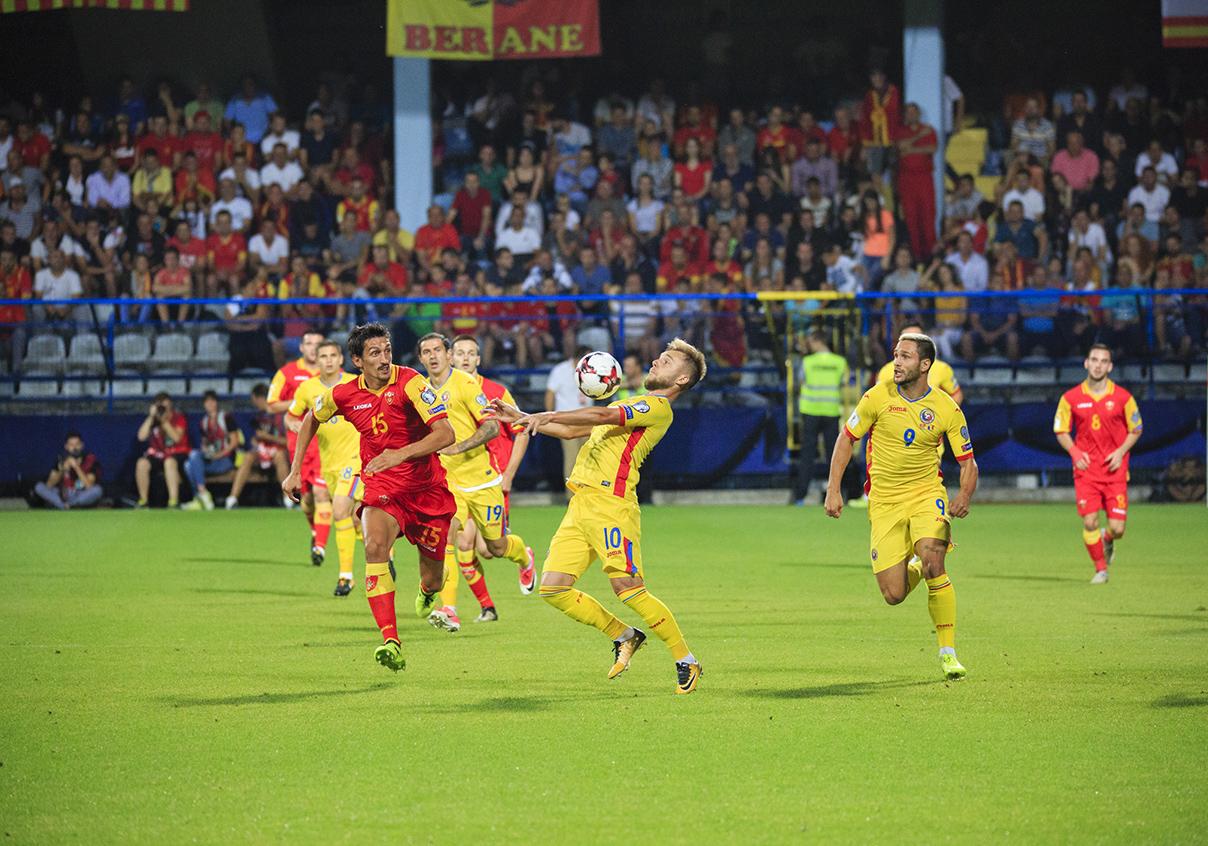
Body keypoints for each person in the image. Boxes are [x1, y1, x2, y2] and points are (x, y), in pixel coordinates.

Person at [491, 339, 709, 695]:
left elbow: (602, 415)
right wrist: (522, 418)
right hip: (582, 504)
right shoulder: (634, 401)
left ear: (681, 380)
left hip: (612, 506)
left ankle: (685, 658)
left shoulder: (657, 408)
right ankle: (624, 635)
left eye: (666, 361)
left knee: (628, 588)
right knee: (553, 587)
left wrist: (545, 415)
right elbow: (573, 430)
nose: (655, 361)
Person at [283, 323, 456, 673]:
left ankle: (426, 593)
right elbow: (310, 419)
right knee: (375, 547)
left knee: (434, 577)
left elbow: (446, 434)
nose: (383, 359)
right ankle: (390, 640)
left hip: (427, 491)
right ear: (357, 361)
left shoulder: (411, 383)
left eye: (387, 350)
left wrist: (401, 454)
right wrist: (295, 469)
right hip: (382, 488)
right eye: (374, 353)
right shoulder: (345, 394)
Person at [824, 332, 978, 680]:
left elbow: (968, 461)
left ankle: (948, 651)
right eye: (896, 354)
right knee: (893, 594)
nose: (897, 361)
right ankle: (914, 565)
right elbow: (846, 440)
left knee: (934, 559)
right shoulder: (876, 397)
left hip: (927, 494)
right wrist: (833, 489)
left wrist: (963, 495)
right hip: (884, 501)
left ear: (925, 365)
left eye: (906, 356)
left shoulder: (946, 408)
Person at [417, 333, 535, 632]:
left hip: (482, 481)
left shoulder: (468, 385)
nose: (432, 356)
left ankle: (524, 556)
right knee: (448, 541)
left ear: (447, 355)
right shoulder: (418, 391)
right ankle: (450, 610)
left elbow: (494, 427)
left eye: (437, 351)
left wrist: (457, 447)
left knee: (494, 547)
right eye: (426, 352)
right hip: (447, 483)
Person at [450, 334, 536, 619]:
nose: (464, 357)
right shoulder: (439, 390)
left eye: (470, 353)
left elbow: (521, 430)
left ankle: (524, 556)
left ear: (478, 359)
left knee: (490, 550)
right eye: (459, 352)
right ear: (451, 357)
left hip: (492, 479)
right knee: (461, 543)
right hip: (459, 481)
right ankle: (484, 607)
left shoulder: (495, 391)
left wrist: (509, 474)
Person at [1053, 344, 1143, 584]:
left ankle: (1108, 538)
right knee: (1090, 520)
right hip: (1086, 470)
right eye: (1094, 359)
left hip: (1115, 470)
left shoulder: (1124, 397)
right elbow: (1060, 429)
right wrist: (1074, 451)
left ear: (1110, 366)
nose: (1098, 364)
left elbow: (1137, 428)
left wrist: (1120, 452)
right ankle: (1101, 569)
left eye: (1104, 361)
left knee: (1118, 528)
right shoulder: (1070, 398)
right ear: (1086, 363)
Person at [287, 339, 363, 596]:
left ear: (341, 359)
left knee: (340, 510)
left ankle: (346, 577)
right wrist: (294, 425)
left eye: (333, 355)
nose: (329, 360)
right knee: (354, 517)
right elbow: (291, 414)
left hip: (358, 460)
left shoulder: (355, 383)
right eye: (324, 356)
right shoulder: (308, 389)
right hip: (329, 463)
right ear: (316, 361)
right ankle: (386, 555)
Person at [267, 330, 324, 563]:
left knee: (323, 493)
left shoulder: (332, 373)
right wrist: (302, 399)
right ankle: (315, 531)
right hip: (300, 445)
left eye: (317, 344)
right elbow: (271, 406)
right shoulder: (287, 373)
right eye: (308, 343)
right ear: (301, 348)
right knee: (307, 499)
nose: (312, 348)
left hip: (327, 444)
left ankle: (321, 546)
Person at [792, 330, 849, 506]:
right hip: (831, 411)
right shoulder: (840, 362)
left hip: (810, 411)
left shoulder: (808, 362)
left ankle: (800, 496)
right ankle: (840, 493)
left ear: (817, 341)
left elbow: (800, 382)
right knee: (835, 455)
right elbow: (845, 382)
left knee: (807, 454)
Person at [227, 383, 291, 508]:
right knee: (248, 456)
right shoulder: (258, 417)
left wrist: (268, 438)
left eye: (255, 399)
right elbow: (256, 439)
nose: (254, 403)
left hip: (280, 452)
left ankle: (288, 499)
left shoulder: (281, 416)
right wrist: (255, 442)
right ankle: (232, 499)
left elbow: (288, 442)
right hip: (262, 452)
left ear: (261, 398)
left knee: (279, 456)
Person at [544, 346, 593, 501]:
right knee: (571, 459)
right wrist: (549, 418)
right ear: (578, 359)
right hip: (567, 421)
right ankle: (571, 497)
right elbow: (550, 395)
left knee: (588, 459)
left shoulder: (592, 370)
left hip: (588, 420)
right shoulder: (561, 370)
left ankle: (588, 495)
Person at [876, 321, 963, 404]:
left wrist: (942, 416)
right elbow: (878, 400)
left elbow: (956, 395)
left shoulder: (942, 368)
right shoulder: (886, 371)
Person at [182, 390, 240, 511]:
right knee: (189, 464)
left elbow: (235, 442)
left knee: (192, 462)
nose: (209, 404)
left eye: (211, 401)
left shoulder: (226, 417)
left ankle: (202, 497)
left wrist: (219, 455)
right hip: (212, 459)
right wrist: (206, 451)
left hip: (226, 459)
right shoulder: (203, 422)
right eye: (206, 402)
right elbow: (205, 443)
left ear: (216, 403)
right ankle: (201, 497)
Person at [135, 392, 191, 509]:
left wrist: (164, 422)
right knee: (141, 463)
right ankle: (143, 500)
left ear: (170, 406)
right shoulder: (153, 420)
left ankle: (173, 501)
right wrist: (151, 417)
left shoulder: (178, 418)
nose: (163, 409)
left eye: (165, 406)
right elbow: (141, 437)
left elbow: (176, 438)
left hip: (177, 454)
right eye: (160, 406)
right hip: (158, 455)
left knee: (169, 462)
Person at [34, 432, 102, 510]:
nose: (75, 448)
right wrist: (63, 469)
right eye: (71, 445)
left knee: (97, 490)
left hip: (80, 494)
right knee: (39, 487)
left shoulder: (90, 459)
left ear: (82, 445)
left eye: (77, 444)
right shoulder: (61, 459)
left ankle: (68, 505)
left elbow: (89, 486)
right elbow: (49, 484)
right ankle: (65, 506)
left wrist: (76, 467)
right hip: (62, 494)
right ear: (66, 446)